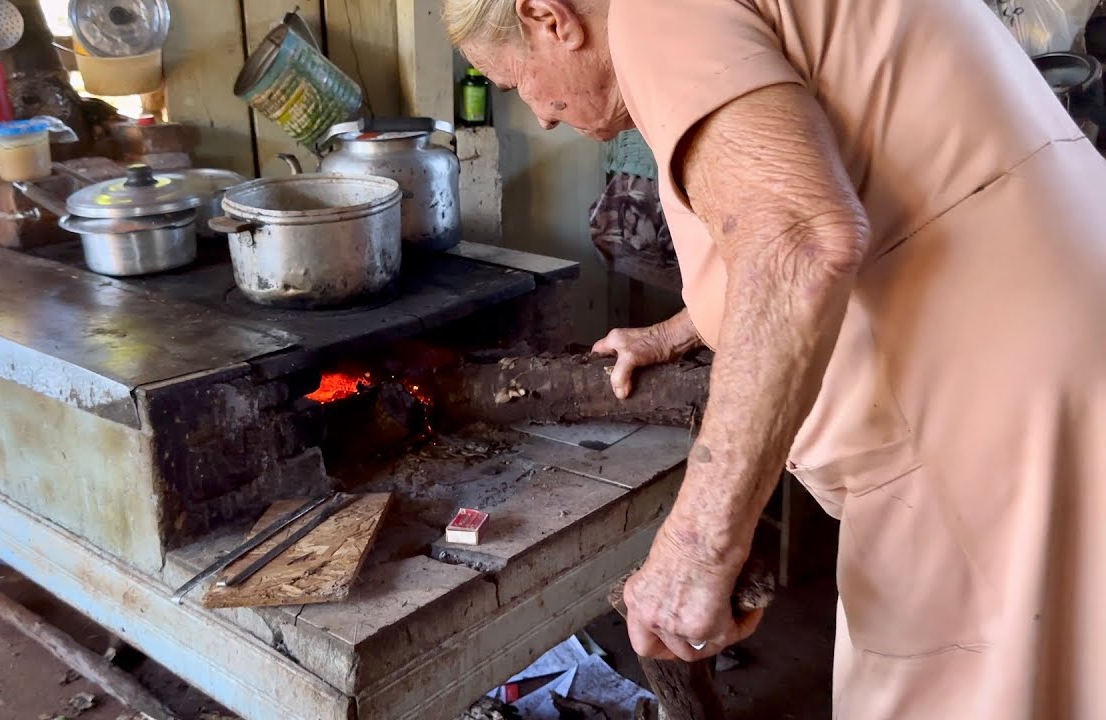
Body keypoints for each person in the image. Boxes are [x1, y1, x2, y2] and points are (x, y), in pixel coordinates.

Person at [440, 0, 1106, 716]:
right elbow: (847, 177)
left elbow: (796, 240)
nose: (538, 115)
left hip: (992, 404)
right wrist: (673, 333)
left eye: (516, 85)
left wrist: (696, 547)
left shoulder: (650, 12)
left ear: (550, 17)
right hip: (1062, 338)